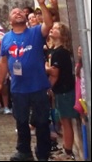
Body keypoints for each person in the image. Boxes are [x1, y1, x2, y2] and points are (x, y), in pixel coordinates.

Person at [0, 0, 53, 162]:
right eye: (14, 12)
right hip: (18, 88)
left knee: (42, 122)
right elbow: (3, 62)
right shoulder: (6, 38)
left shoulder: (35, 32)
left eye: (21, 11)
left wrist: (42, 4)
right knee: (21, 121)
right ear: (10, 20)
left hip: (38, 86)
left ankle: (43, 153)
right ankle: (24, 151)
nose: (18, 12)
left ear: (25, 17)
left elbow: (48, 23)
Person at [46, 22, 79, 161]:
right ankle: (66, 147)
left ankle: (68, 151)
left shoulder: (60, 53)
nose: (52, 30)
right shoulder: (55, 51)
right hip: (61, 90)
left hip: (65, 90)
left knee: (66, 122)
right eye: (52, 28)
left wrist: (46, 69)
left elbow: (55, 73)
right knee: (63, 121)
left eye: (57, 29)